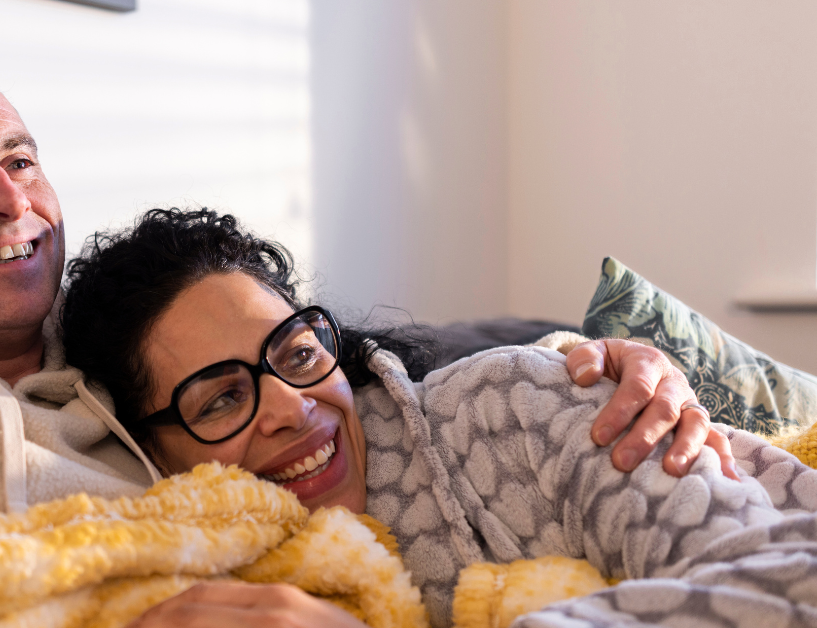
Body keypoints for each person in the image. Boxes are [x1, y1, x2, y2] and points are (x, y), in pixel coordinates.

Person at [0, 51, 729, 628]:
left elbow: (373, 389)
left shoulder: (132, 357)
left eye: (20, 155)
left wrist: (612, 360)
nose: (11, 199)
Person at [59, 208, 817, 628]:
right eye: (221, 398)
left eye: (295, 353)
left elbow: (791, 582)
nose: (293, 406)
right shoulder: (200, 553)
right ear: (148, 448)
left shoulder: (514, 406)